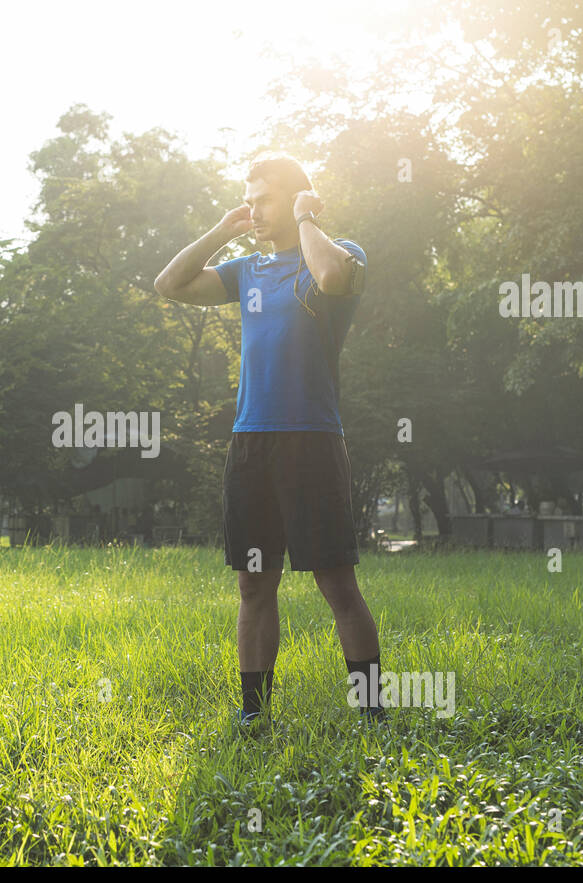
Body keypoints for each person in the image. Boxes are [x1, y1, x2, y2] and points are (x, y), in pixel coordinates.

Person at [154, 152, 383, 730]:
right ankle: (254, 713)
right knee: (254, 584)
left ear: (297, 199)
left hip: (312, 441)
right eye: (248, 199)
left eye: (264, 200)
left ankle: (372, 710)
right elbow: (170, 284)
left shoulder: (340, 253)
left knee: (337, 583)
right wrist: (221, 230)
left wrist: (307, 220)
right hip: (251, 443)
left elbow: (330, 279)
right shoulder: (246, 271)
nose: (253, 210)